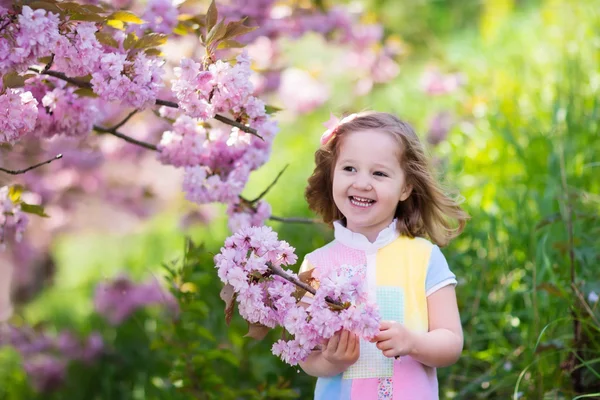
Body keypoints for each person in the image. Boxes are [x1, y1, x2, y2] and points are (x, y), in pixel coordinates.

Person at [298, 111, 469, 399]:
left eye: (379, 173)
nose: (362, 183)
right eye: (349, 168)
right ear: (332, 175)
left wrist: (413, 343)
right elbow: (306, 354)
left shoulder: (423, 257)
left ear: (405, 187)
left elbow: (451, 342)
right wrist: (330, 361)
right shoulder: (316, 265)